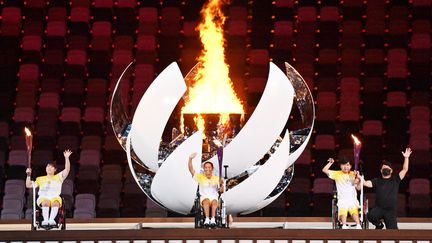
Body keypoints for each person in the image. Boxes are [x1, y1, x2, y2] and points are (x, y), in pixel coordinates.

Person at [362, 147, 412, 229]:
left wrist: (406, 157)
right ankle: (379, 225)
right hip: (379, 208)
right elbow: (367, 183)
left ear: (391, 170)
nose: (386, 169)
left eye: (388, 168)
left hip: (390, 211)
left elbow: (405, 169)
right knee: (370, 216)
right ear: (381, 171)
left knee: (393, 232)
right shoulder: (377, 180)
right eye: (384, 168)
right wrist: (361, 179)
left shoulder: (395, 179)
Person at [26, 149, 72, 226]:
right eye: (48, 166)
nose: (49, 168)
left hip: (55, 197)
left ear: (55, 170)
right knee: (46, 203)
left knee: (56, 203)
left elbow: (67, 169)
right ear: (46, 168)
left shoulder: (59, 177)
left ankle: (51, 220)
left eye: (51, 167)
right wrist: (28, 175)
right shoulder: (40, 178)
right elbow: (28, 185)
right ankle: (45, 220)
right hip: (43, 197)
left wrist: (67, 158)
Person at [322, 157, 362, 229]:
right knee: (343, 210)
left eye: (347, 165)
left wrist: (359, 178)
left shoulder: (354, 174)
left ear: (350, 166)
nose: (345, 167)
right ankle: (344, 225)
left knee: (354, 211)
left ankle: (358, 225)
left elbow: (358, 188)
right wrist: (330, 163)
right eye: (343, 165)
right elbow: (324, 170)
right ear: (340, 166)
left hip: (352, 199)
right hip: (342, 199)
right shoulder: (337, 174)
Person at [188, 152, 223, 227]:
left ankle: (213, 219)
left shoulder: (217, 178)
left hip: (214, 196)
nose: (207, 169)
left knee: (214, 202)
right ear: (204, 169)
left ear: (212, 168)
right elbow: (191, 170)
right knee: (206, 201)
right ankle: (207, 219)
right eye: (206, 167)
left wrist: (221, 187)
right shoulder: (200, 177)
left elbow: (221, 190)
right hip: (204, 196)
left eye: (209, 167)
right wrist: (190, 159)